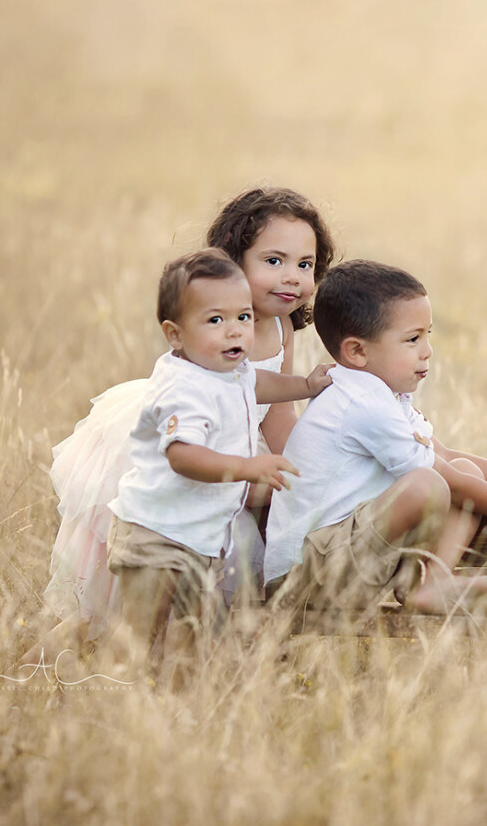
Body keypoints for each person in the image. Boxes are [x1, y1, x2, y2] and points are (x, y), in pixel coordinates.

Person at [26, 187, 334, 664]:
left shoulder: (279, 326)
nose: (291, 277)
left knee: (227, 540)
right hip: (186, 439)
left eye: (305, 264)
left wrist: (301, 467)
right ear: (231, 263)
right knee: (133, 580)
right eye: (273, 261)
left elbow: (270, 403)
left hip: (231, 438)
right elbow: (198, 422)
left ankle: (200, 650)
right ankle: (58, 655)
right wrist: (252, 468)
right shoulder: (210, 336)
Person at [265, 259, 487, 617]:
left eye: (427, 335)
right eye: (412, 339)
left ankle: (432, 581)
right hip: (303, 576)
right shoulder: (360, 401)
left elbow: (444, 457)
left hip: (345, 557)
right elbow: (447, 481)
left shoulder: (382, 393)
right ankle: (428, 583)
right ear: (357, 351)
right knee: (428, 484)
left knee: (461, 468)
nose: (427, 350)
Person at [105, 249, 329, 674]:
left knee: (194, 633)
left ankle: (184, 710)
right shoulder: (183, 387)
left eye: (243, 317)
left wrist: (304, 384)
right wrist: (246, 468)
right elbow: (182, 455)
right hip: (157, 534)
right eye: (215, 320)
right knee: (138, 634)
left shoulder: (230, 369)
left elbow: (256, 384)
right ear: (174, 334)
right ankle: (113, 699)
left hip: (202, 537)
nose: (234, 332)